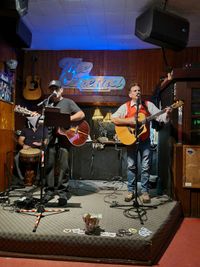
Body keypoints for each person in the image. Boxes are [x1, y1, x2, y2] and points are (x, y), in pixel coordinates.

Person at [111, 82, 172, 203]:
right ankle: (130, 191)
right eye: (135, 90)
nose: (138, 92)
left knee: (146, 167)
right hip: (131, 140)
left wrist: (167, 113)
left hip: (145, 140)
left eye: (139, 90)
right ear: (130, 94)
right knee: (131, 166)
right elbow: (114, 118)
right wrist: (130, 121)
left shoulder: (148, 105)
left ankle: (145, 192)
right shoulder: (125, 106)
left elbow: (161, 118)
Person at [43, 80, 85, 206]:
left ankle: (62, 194)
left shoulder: (68, 102)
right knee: (49, 166)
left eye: (56, 88)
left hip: (65, 139)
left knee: (64, 167)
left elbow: (81, 114)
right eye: (51, 89)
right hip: (51, 138)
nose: (53, 91)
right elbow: (45, 121)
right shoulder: (47, 103)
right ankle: (49, 192)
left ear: (61, 90)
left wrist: (66, 119)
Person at [15, 116, 48, 186]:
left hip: (39, 149)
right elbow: (20, 140)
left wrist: (40, 143)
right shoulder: (25, 129)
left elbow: (46, 141)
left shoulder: (43, 129)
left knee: (43, 159)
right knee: (16, 158)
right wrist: (23, 145)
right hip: (27, 148)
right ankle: (21, 178)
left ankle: (38, 178)